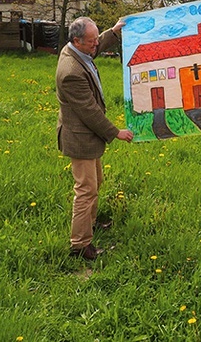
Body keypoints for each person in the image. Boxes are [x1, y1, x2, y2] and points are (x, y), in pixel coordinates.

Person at [56, 17, 133, 261]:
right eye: (91, 42)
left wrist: (115, 30)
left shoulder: (76, 52)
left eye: (96, 39)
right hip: (80, 138)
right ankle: (80, 245)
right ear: (77, 41)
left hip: (87, 136)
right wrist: (115, 132)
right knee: (86, 189)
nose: (96, 45)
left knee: (96, 182)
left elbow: (98, 43)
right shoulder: (71, 73)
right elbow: (89, 111)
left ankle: (90, 224)